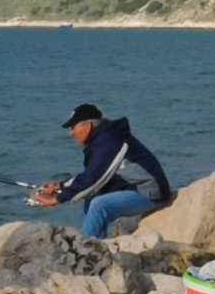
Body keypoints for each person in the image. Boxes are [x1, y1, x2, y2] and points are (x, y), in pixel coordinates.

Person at [32, 101, 173, 238]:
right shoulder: (103, 138)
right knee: (91, 196)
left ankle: (85, 250)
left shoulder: (109, 142)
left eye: (73, 127)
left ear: (87, 127)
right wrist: (61, 185)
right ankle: (95, 243)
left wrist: (58, 199)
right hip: (132, 187)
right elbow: (92, 174)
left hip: (149, 191)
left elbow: (93, 180)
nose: (71, 133)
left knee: (99, 205)